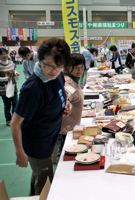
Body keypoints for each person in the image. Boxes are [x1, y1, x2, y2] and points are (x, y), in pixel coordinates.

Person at [11, 38, 71, 195]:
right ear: (40, 60)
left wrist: (62, 105)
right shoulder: (33, 89)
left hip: (50, 136)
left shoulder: (57, 75)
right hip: (37, 144)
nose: (53, 71)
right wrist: (20, 153)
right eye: (48, 65)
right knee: (45, 183)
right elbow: (15, 123)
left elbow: (60, 90)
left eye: (59, 67)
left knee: (39, 175)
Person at [56, 53, 85, 164]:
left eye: (81, 67)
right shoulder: (68, 82)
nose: (79, 70)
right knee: (63, 155)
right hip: (65, 129)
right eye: (75, 67)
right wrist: (67, 103)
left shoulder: (75, 80)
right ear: (67, 67)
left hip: (71, 127)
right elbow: (66, 97)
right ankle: (58, 180)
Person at [0, 48, 19, 126]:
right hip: (4, 88)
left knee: (15, 103)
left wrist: (16, 73)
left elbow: (13, 70)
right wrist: (5, 79)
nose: (4, 56)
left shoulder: (11, 62)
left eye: (6, 54)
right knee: (7, 105)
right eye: (2, 54)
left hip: (13, 86)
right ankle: (8, 119)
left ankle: (14, 119)